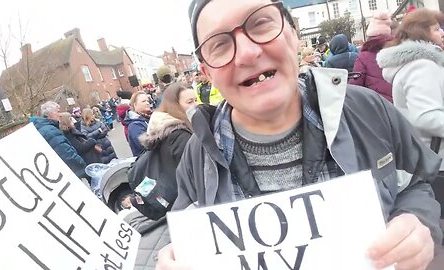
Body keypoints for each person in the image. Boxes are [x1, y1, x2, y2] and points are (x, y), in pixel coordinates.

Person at [156, 1, 443, 269]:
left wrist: (419, 220)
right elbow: (188, 235)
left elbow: (417, 185)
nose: (247, 53)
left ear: (293, 34)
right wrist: (176, 254)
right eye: (218, 44)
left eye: (260, 24)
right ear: (207, 73)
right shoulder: (198, 155)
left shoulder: (366, 110)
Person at [377, 8, 444, 218]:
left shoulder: (415, 64)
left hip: (426, 158)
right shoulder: (423, 66)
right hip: (437, 159)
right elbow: (425, 116)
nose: (442, 32)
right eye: (436, 28)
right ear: (421, 32)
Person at [124, 83, 196, 269]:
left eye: (196, 100)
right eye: (190, 101)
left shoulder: (164, 127)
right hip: (182, 202)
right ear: (175, 105)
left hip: (171, 198)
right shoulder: (181, 135)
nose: (195, 105)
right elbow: (195, 175)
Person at [31, 101, 86, 178]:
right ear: (51, 113)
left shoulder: (46, 128)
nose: (60, 114)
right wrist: (83, 166)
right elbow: (66, 153)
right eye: (58, 111)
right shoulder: (50, 131)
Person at [349, 12, 393, 102]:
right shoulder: (398, 50)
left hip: (378, 106)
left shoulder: (363, 57)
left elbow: (355, 88)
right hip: (402, 106)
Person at [124, 91, 152, 156]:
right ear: (135, 105)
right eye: (143, 101)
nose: (147, 103)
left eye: (147, 101)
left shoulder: (149, 118)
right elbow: (146, 146)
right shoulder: (134, 125)